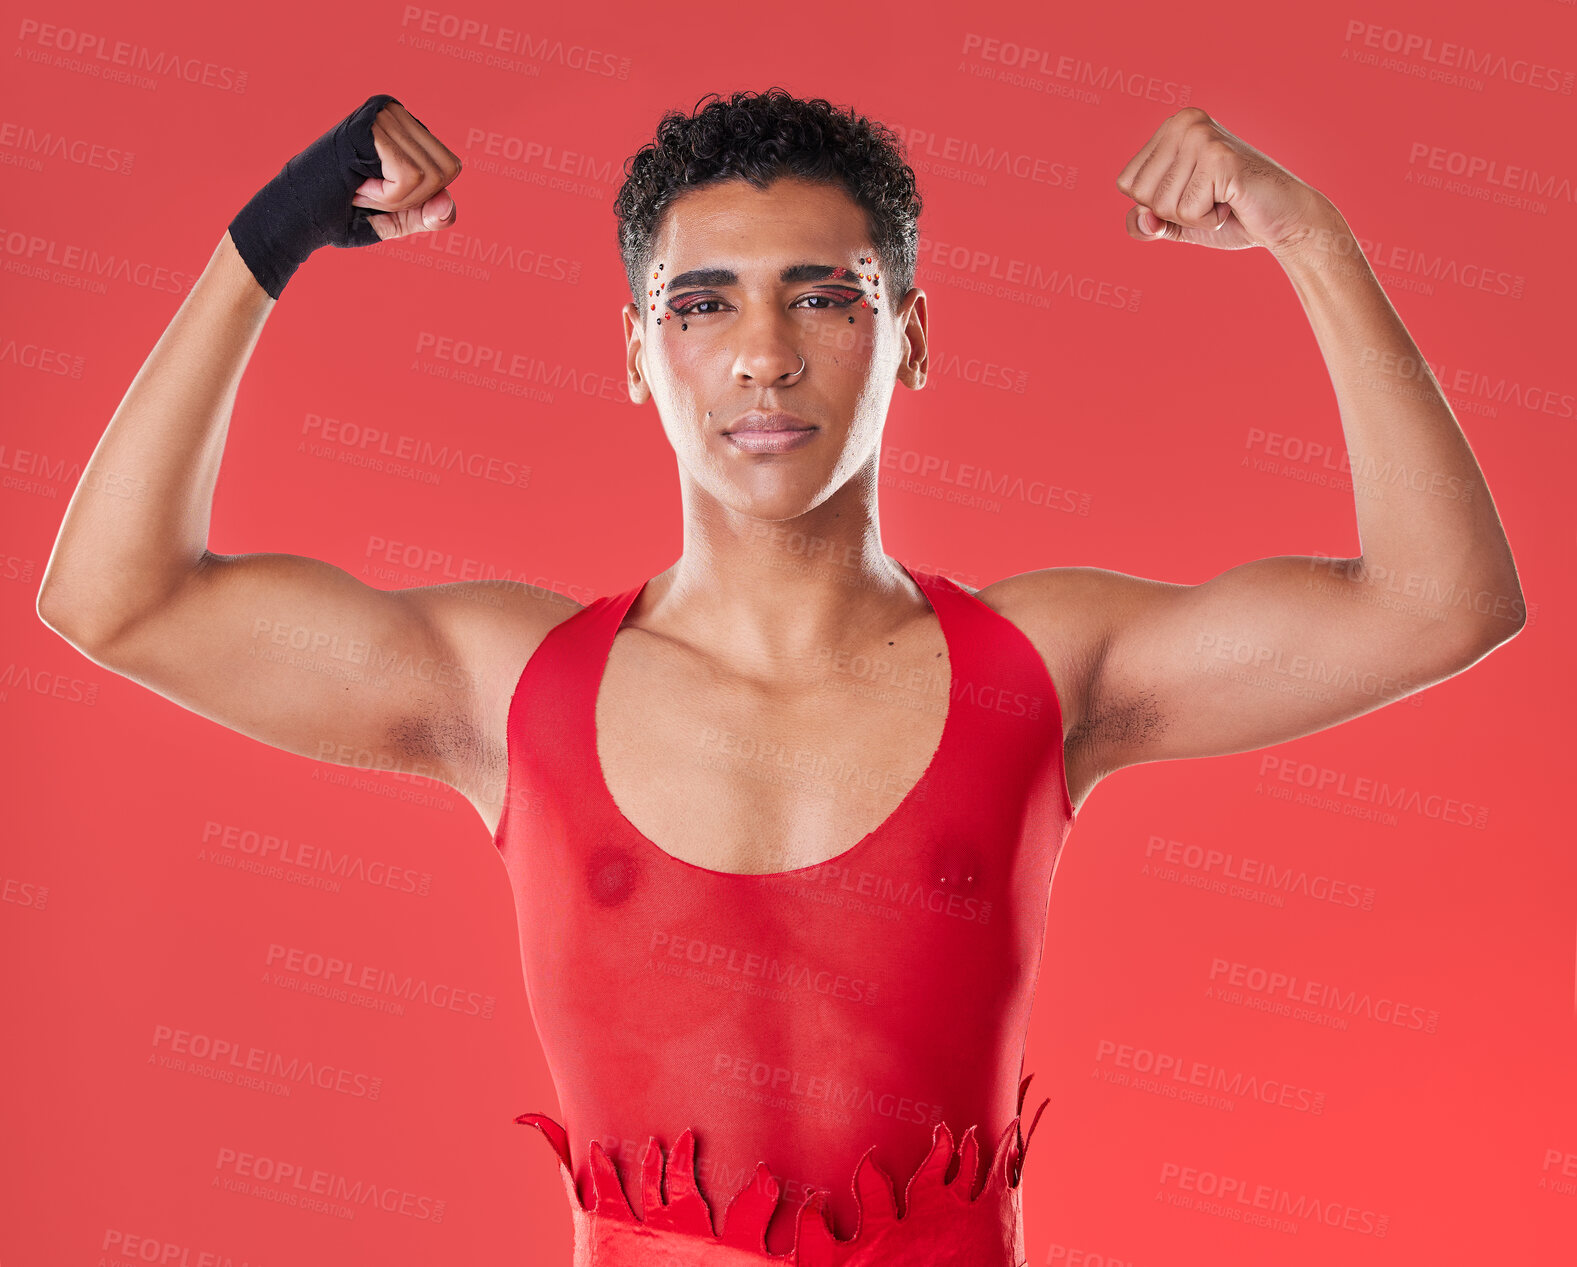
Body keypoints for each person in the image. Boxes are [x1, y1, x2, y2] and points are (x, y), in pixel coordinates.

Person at [36, 88, 1525, 1265]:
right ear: (635, 353)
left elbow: (1437, 605)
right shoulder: (509, 684)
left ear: (909, 337)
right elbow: (119, 599)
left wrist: (1308, 239)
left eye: (824, 296)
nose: (763, 355)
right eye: (703, 304)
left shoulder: (1042, 665)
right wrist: (266, 241)